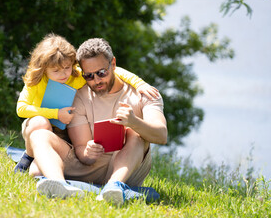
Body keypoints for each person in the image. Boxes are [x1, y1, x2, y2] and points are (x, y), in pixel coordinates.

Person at [31, 37, 167, 205]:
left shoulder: (144, 94)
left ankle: (114, 186)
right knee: (38, 141)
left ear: (113, 63)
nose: (96, 80)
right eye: (89, 76)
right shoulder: (80, 95)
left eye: (102, 73)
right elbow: (81, 150)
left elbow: (161, 135)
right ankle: (59, 185)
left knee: (134, 133)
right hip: (89, 168)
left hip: (126, 168)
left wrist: (134, 122)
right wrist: (87, 152)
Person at [14, 33, 160, 175]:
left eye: (66, 67)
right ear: (44, 69)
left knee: (40, 170)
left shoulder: (79, 76)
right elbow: (21, 109)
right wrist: (55, 114)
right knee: (40, 124)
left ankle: (52, 167)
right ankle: (29, 156)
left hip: (64, 129)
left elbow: (112, 70)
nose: (63, 74)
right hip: (41, 123)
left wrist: (139, 83)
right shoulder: (35, 81)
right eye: (56, 71)